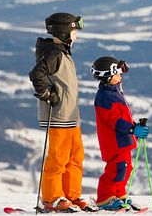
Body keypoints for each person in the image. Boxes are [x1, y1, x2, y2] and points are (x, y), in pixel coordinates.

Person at [28, 12, 90, 212]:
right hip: (59, 116)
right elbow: (37, 74)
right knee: (58, 158)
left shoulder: (62, 53)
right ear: (64, 32)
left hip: (71, 116)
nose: (76, 35)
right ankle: (52, 198)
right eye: (74, 31)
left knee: (75, 158)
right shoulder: (54, 54)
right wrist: (47, 93)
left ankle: (70, 195)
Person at [91, 55, 150, 210]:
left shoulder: (115, 92)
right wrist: (132, 129)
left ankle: (119, 194)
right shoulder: (104, 96)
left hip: (123, 140)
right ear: (108, 77)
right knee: (115, 169)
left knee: (126, 168)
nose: (120, 75)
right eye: (117, 73)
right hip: (114, 142)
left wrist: (135, 129)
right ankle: (105, 198)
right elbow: (114, 120)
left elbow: (123, 117)